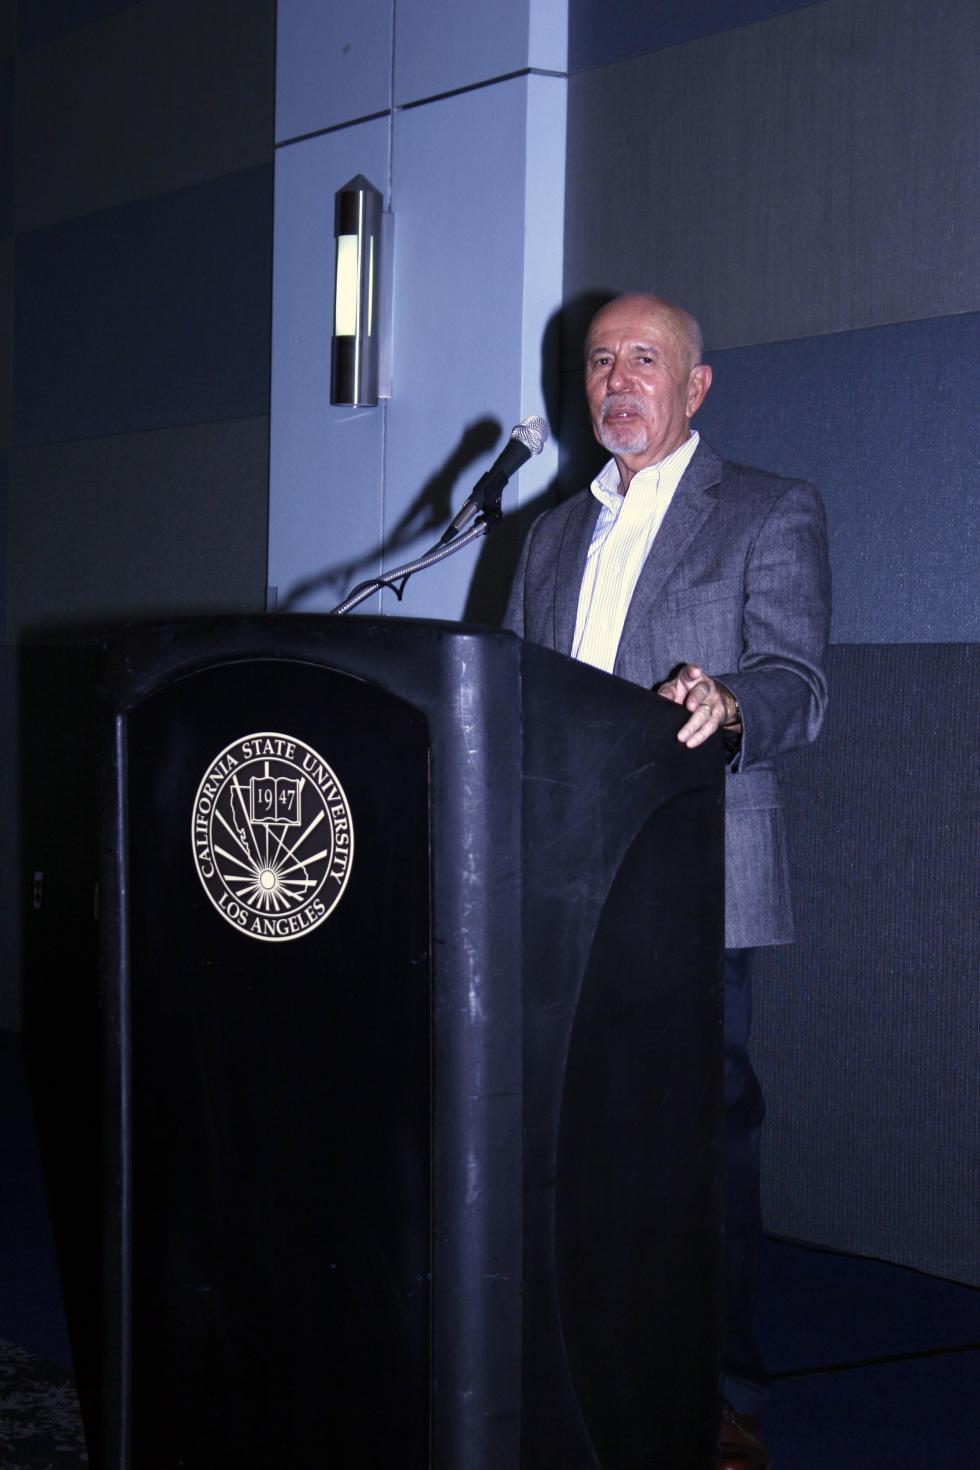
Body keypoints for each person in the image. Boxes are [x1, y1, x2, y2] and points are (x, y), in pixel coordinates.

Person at [504, 293, 831, 1470]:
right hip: (559, 881)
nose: (616, 380)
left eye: (644, 359)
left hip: (697, 880)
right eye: (600, 361)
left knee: (696, 1145)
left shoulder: (765, 509)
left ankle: (721, 1395)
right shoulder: (545, 537)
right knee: (565, 1135)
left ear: (694, 388)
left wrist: (728, 701)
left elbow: (797, 680)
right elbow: (514, 698)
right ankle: (581, 1352)